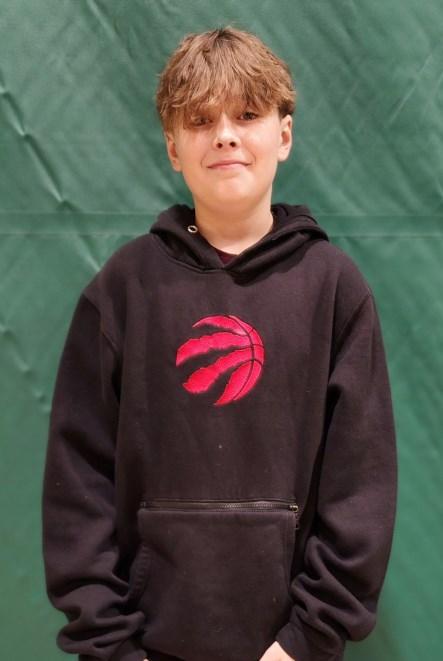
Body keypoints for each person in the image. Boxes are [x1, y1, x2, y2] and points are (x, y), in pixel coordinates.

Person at [41, 25, 398, 661]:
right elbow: (79, 482)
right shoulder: (123, 290)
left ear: (284, 135)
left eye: (248, 114)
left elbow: (361, 488)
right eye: (201, 120)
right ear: (173, 148)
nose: (225, 135)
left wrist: (304, 641)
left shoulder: (334, 289)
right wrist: (110, 642)